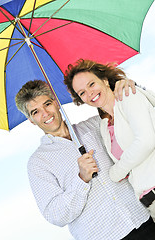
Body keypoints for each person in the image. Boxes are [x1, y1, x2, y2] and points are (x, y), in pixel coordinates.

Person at [15, 80, 155, 240]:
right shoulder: (38, 163)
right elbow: (55, 215)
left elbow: (134, 122)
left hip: (144, 221)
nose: (45, 113)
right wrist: (82, 179)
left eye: (47, 104)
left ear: (56, 102)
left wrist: (124, 85)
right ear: (31, 120)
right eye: (35, 112)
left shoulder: (95, 125)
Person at [64, 59, 155, 223]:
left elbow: (146, 141)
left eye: (91, 84)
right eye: (82, 93)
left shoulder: (128, 96)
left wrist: (115, 172)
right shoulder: (105, 126)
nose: (89, 93)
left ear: (105, 80)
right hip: (149, 202)